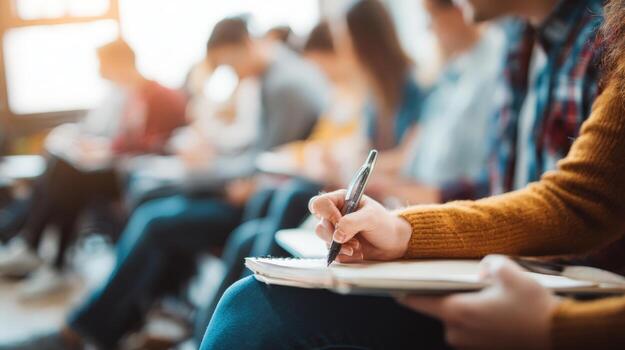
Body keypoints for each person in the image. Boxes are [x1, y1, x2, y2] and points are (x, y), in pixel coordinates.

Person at [200, 0, 610, 348]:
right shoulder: (518, 42)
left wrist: (559, 328)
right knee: (258, 282)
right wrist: (403, 231)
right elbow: (563, 199)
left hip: (558, 285)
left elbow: (572, 208)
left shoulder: (603, 37)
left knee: (256, 306)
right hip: (509, 263)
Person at [0, 16, 329, 350]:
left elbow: (263, 164)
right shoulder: (274, 78)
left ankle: (90, 329)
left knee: (155, 218)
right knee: (149, 201)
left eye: (230, 63)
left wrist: (204, 172)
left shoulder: (284, 84)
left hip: (259, 201)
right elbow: (259, 153)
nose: (232, 73)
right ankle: (134, 316)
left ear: (245, 45)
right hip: (256, 194)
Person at [0, 39, 187, 299]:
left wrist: (109, 149)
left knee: (69, 176)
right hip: (118, 164)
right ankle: (40, 253)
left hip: (135, 170)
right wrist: (99, 146)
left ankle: (40, 253)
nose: (100, 71)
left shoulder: (160, 95)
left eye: (102, 64)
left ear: (119, 62)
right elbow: (120, 137)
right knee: (62, 167)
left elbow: (158, 143)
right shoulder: (130, 94)